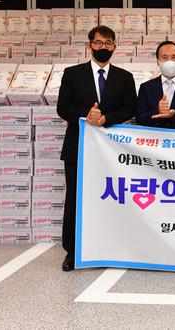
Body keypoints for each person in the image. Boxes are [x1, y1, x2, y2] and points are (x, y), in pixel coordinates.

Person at [56, 25, 137, 272]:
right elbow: (62, 107)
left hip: (111, 152)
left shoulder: (124, 77)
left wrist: (106, 118)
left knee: (110, 197)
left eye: (108, 43)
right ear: (89, 45)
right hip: (78, 147)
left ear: (115, 47)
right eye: (99, 42)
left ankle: (109, 246)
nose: (104, 47)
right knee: (75, 198)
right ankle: (72, 251)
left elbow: (130, 108)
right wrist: (86, 115)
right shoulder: (72, 74)